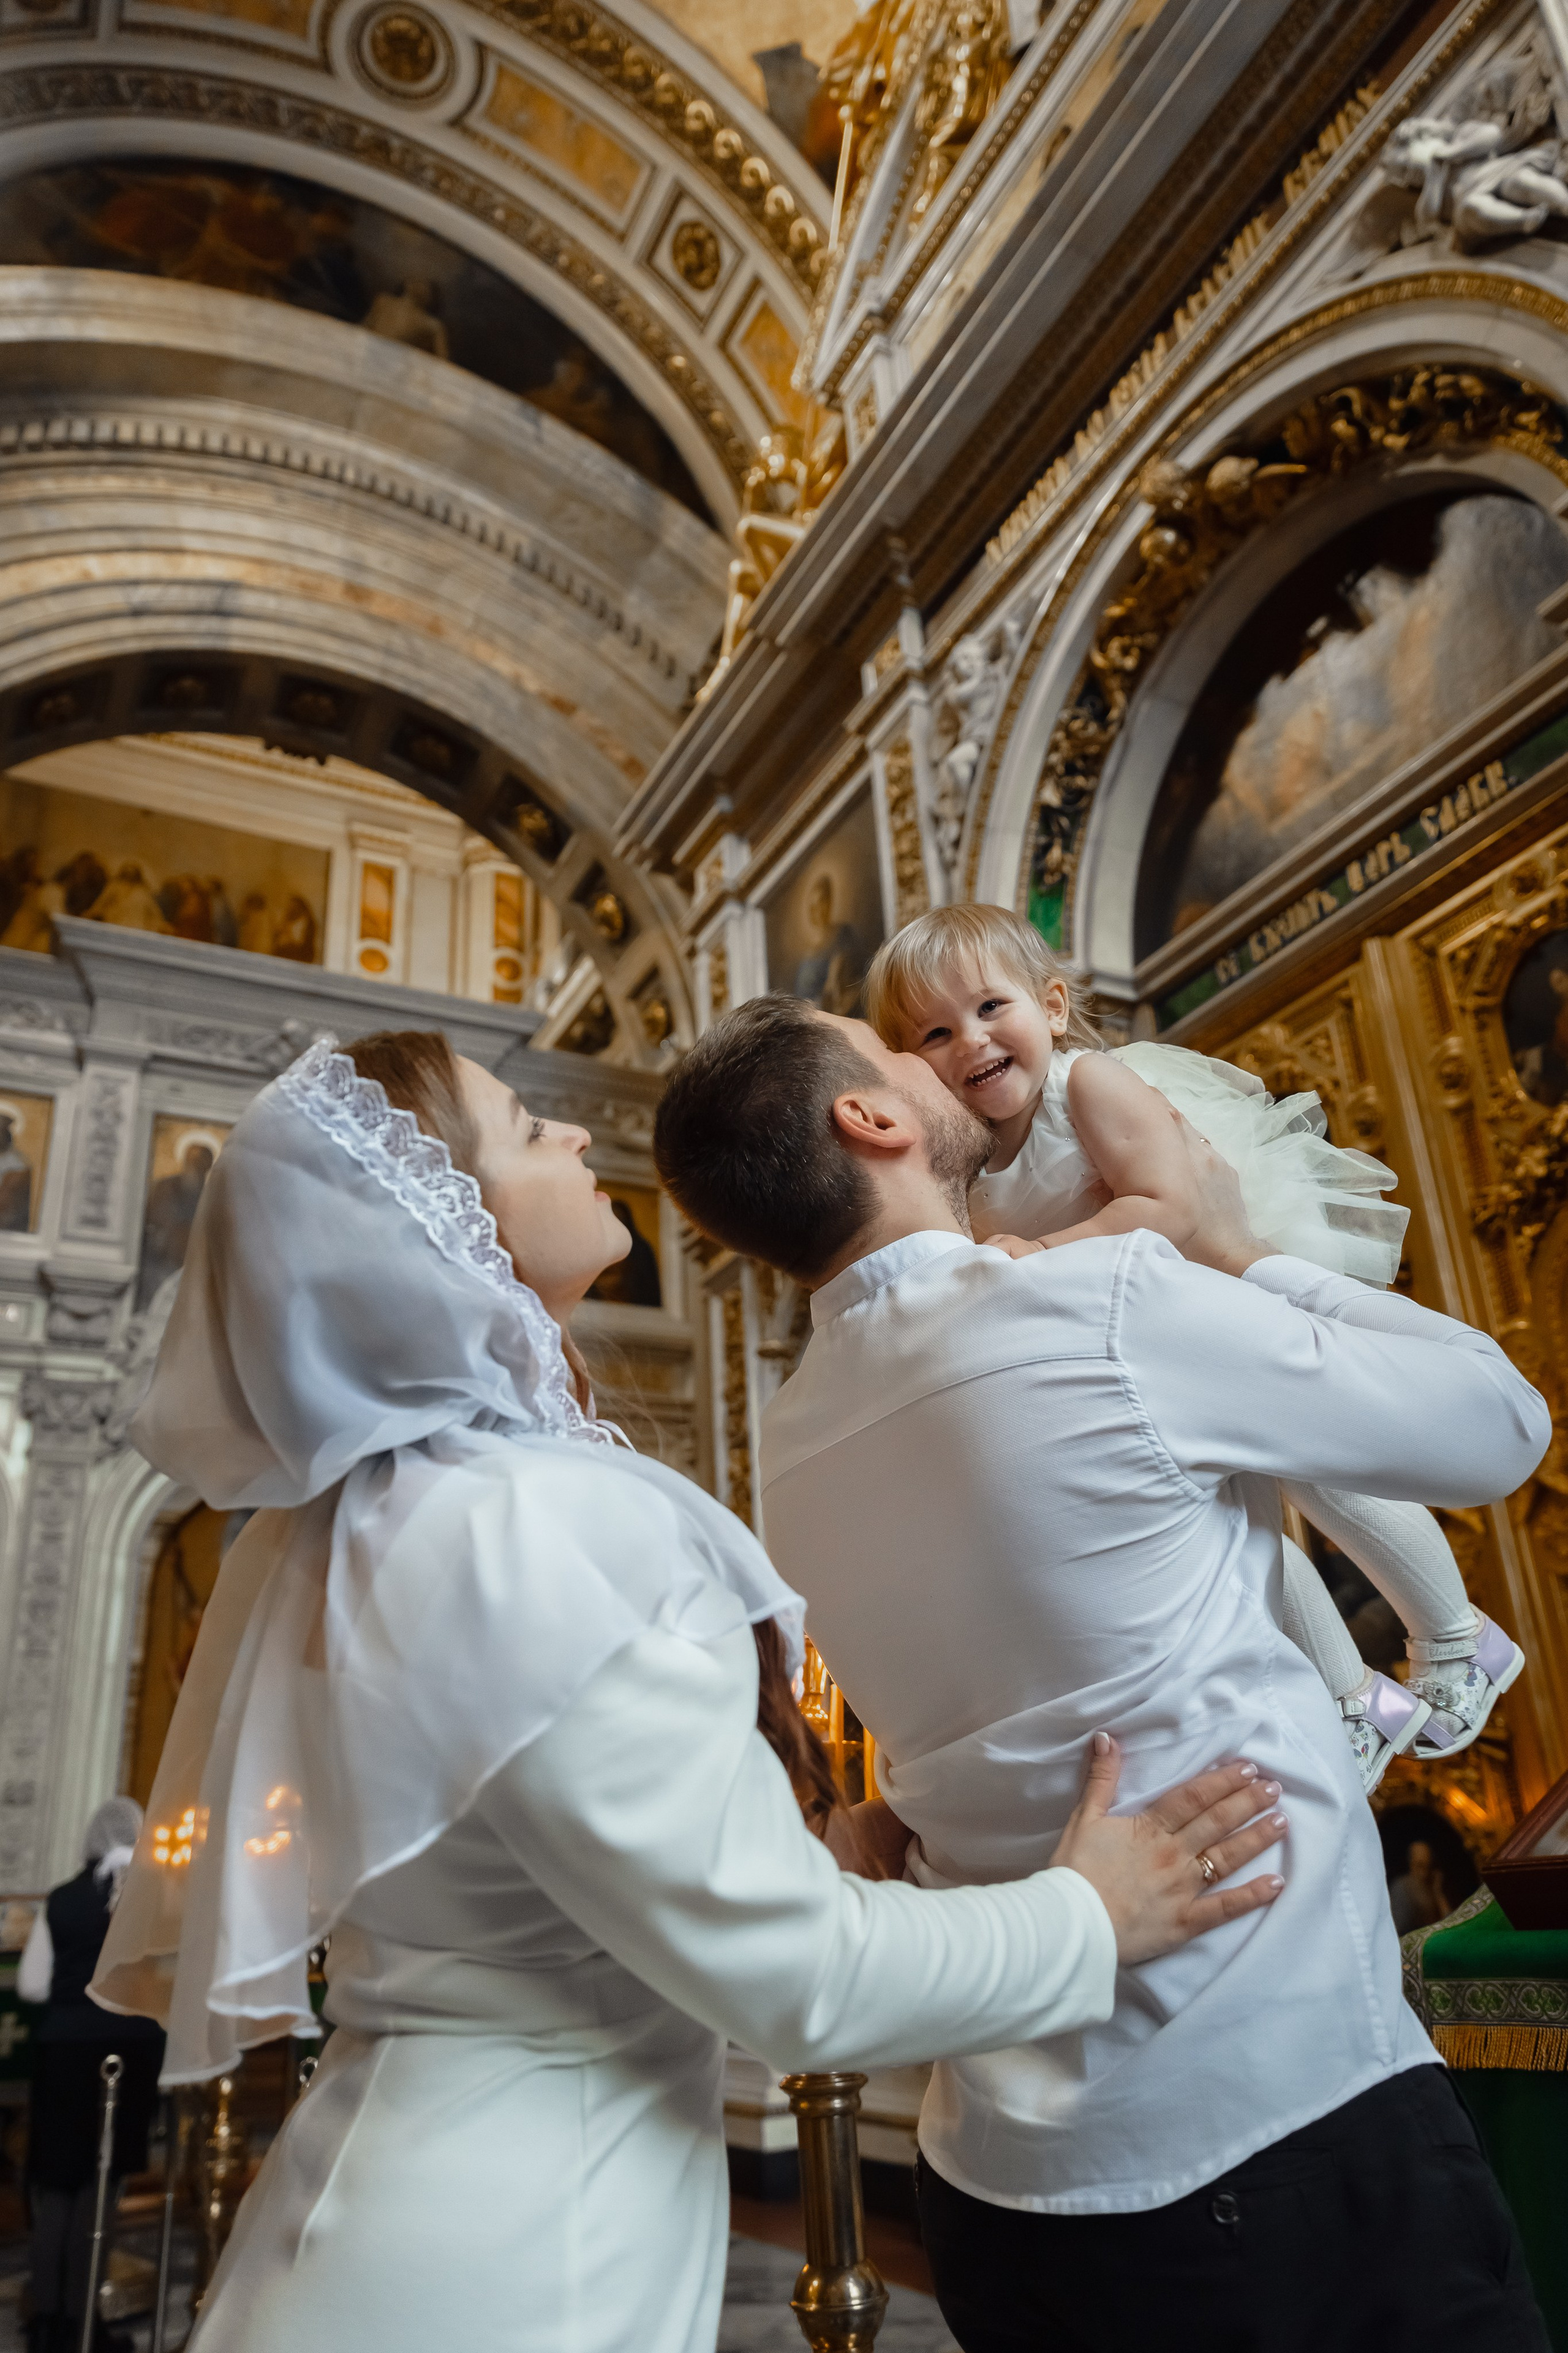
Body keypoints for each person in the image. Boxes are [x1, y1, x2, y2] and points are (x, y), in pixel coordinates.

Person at [91, 1028, 1284, 2353]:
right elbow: (801, 1986)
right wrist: (1092, 1914)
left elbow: (529, 1875)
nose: (576, 1135)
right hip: (507, 2264)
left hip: (394, 2202)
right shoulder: (525, 1524)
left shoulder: (386, 1526)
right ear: (434, 1224)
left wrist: (794, 1848)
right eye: (520, 1127)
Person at [652, 994, 1553, 2353]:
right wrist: (1237, 1251)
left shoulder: (788, 1440)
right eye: (897, 1047)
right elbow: (1499, 1425)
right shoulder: (1099, 1298)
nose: (936, 1051)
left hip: (1001, 2186)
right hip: (1272, 2116)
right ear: (874, 1118)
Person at [861, 904, 1523, 1792]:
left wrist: (1035, 1257)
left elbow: (1168, 1206)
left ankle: (1457, 1635)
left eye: (989, 1008)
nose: (970, 1040)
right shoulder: (972, 1166)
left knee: (1319, 1473)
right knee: (1226, 1524)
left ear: (1052, 1007)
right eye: (935, 1033)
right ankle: (1352, 1699)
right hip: (1147, 1354)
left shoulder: (1086, 1085)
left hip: (1221, 1293)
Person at [20, 1799, 164, 2353]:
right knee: (103, 2189)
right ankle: (87, 2323)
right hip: (132, 2050)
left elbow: (33, 1986)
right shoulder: (157, 1897)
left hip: (65, 2053)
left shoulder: (61, 1898)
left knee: (57, 2186)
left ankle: (48, 2323)